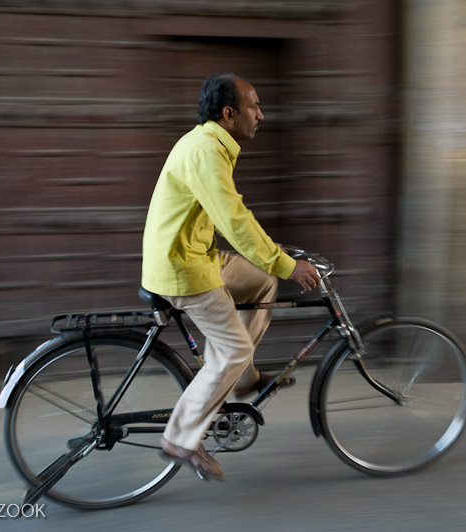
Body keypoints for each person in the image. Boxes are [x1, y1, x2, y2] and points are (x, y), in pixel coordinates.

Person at [141, 73, 320, 481]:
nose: (261, 114)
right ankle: (180, 439)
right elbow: (234, 219)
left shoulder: (210, 144)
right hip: (182, 267)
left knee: (261, 281)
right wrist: (286, 264)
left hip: (195, 253)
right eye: (254, 106)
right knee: (234, 349)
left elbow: (224, 218)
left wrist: (271, 259)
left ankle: (241, 380)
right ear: (229, 114)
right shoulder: (207, 150)